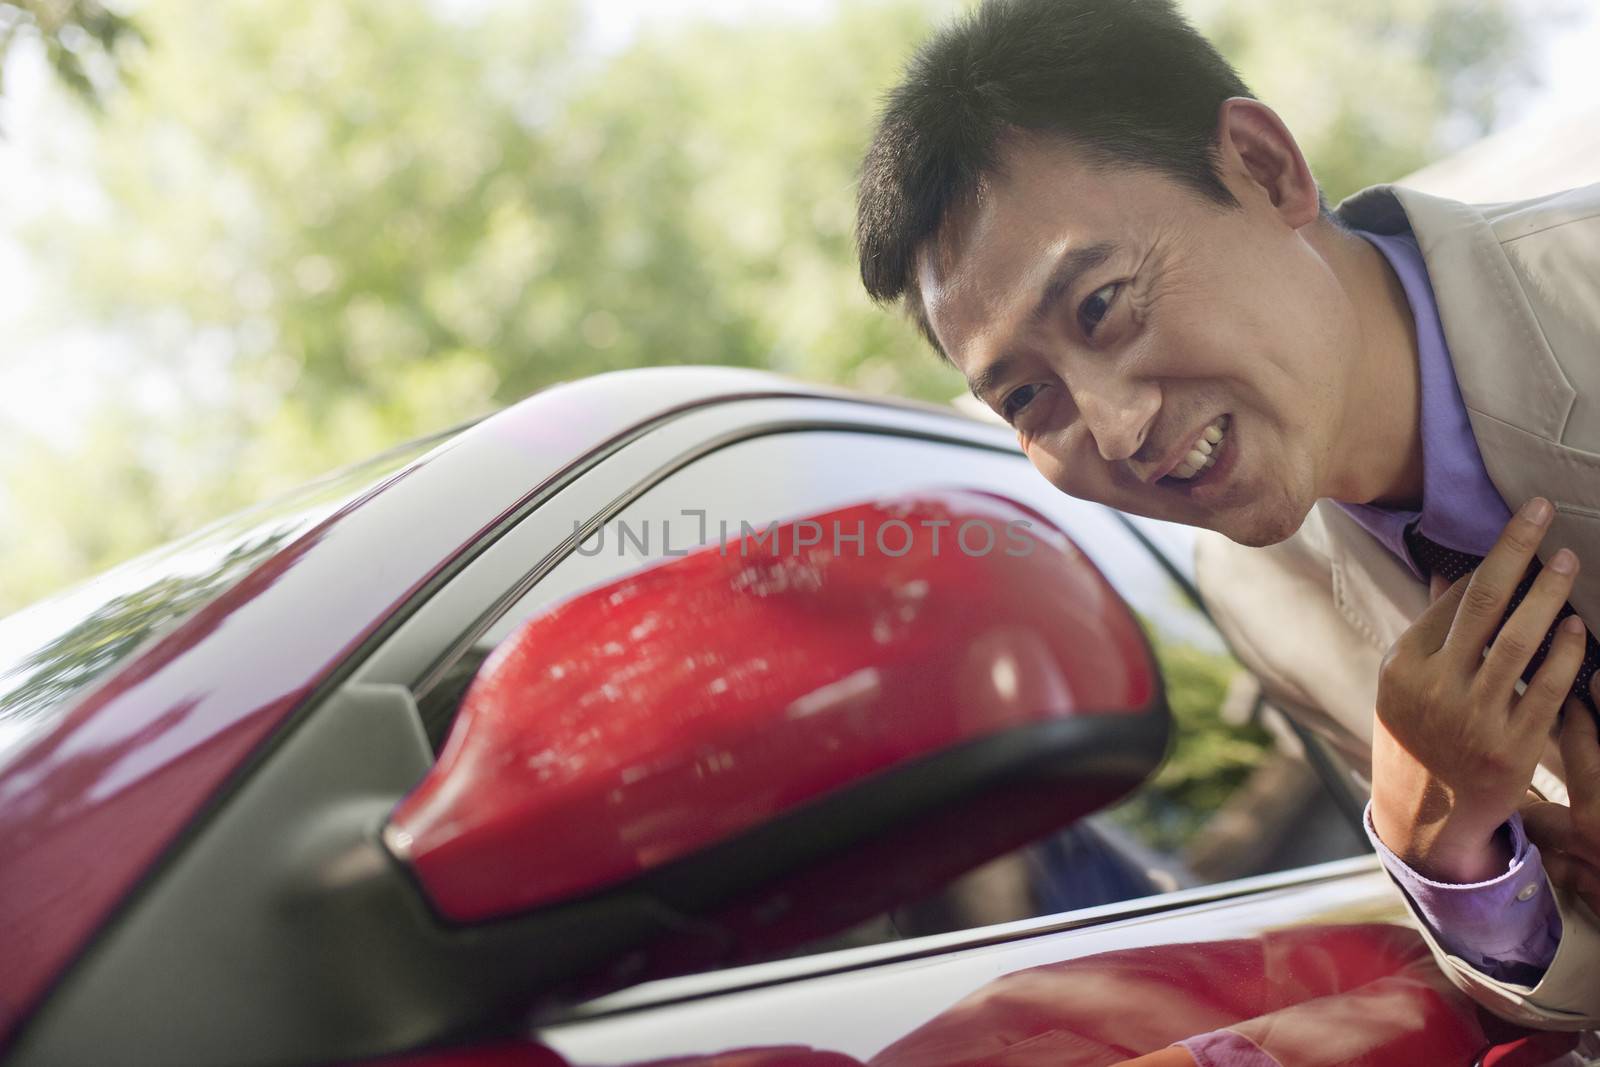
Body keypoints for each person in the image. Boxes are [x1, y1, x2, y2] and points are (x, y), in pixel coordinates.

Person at [851, 0, 1600, 1051]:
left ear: (1265, 167)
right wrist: (1437, 843)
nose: (1112, 428)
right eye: (1025, 400)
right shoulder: (1261, 593)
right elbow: (1570, 998)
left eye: (1103, 305)